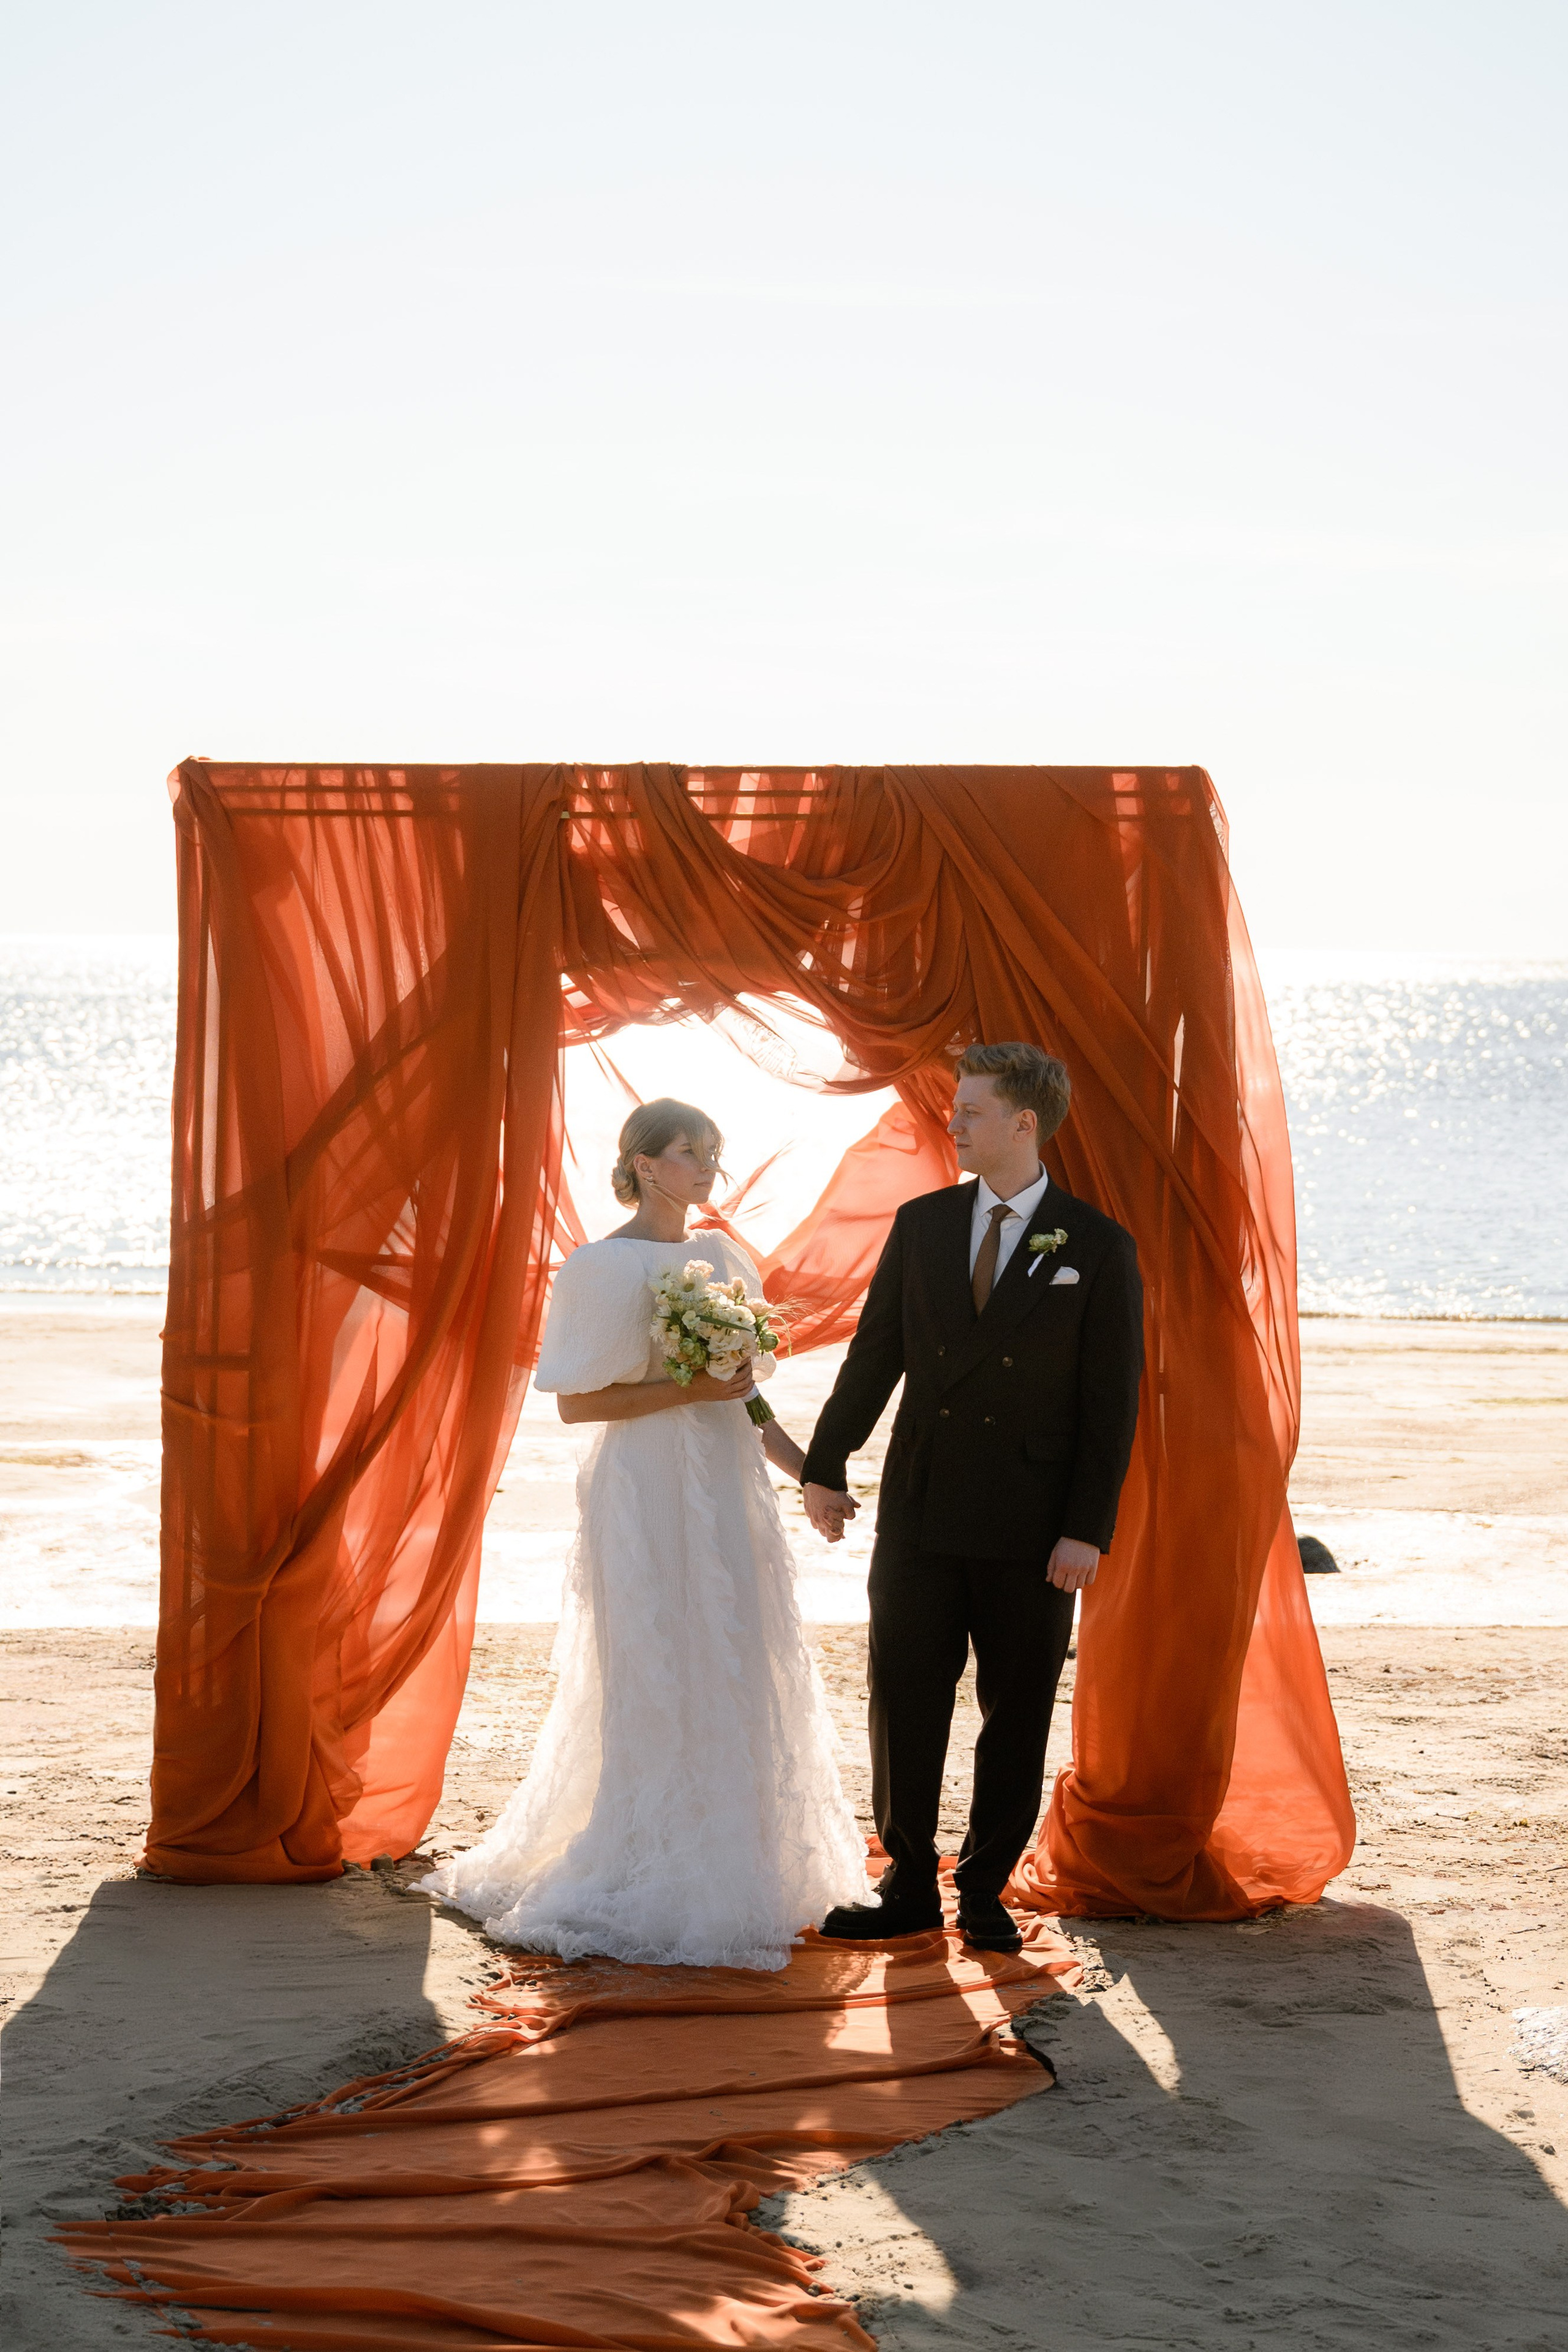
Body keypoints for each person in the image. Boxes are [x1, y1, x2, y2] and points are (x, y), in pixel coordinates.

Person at [421, 1098, 868, 1970]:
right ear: (642, 1164)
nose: (706, 1166)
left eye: (713, 1151)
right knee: (657, 1655)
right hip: (644, 1486)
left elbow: (744, 1393)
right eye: (687, 1152)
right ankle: (647, 1850)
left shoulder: (722, 1256)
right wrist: (685, 1394)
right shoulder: (598, 1267)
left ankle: (742, 1855)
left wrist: (807, 1472)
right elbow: (575, 1404)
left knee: (740, 1652)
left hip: (726, 1484)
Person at [800, 1042, 1143, 1953]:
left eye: (972, 1110)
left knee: (1016, 1710)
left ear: (1023, 1123)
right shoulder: (922, 1226)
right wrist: (826, 1466)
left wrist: (1086, 1531)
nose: (953, 1122)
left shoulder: (1099, 1246)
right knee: (903, 1699)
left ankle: (984, 1889)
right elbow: (874, 1358)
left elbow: (1112, 1408)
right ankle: (909, 1884)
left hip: (1036, 1533)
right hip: (919, 1513)